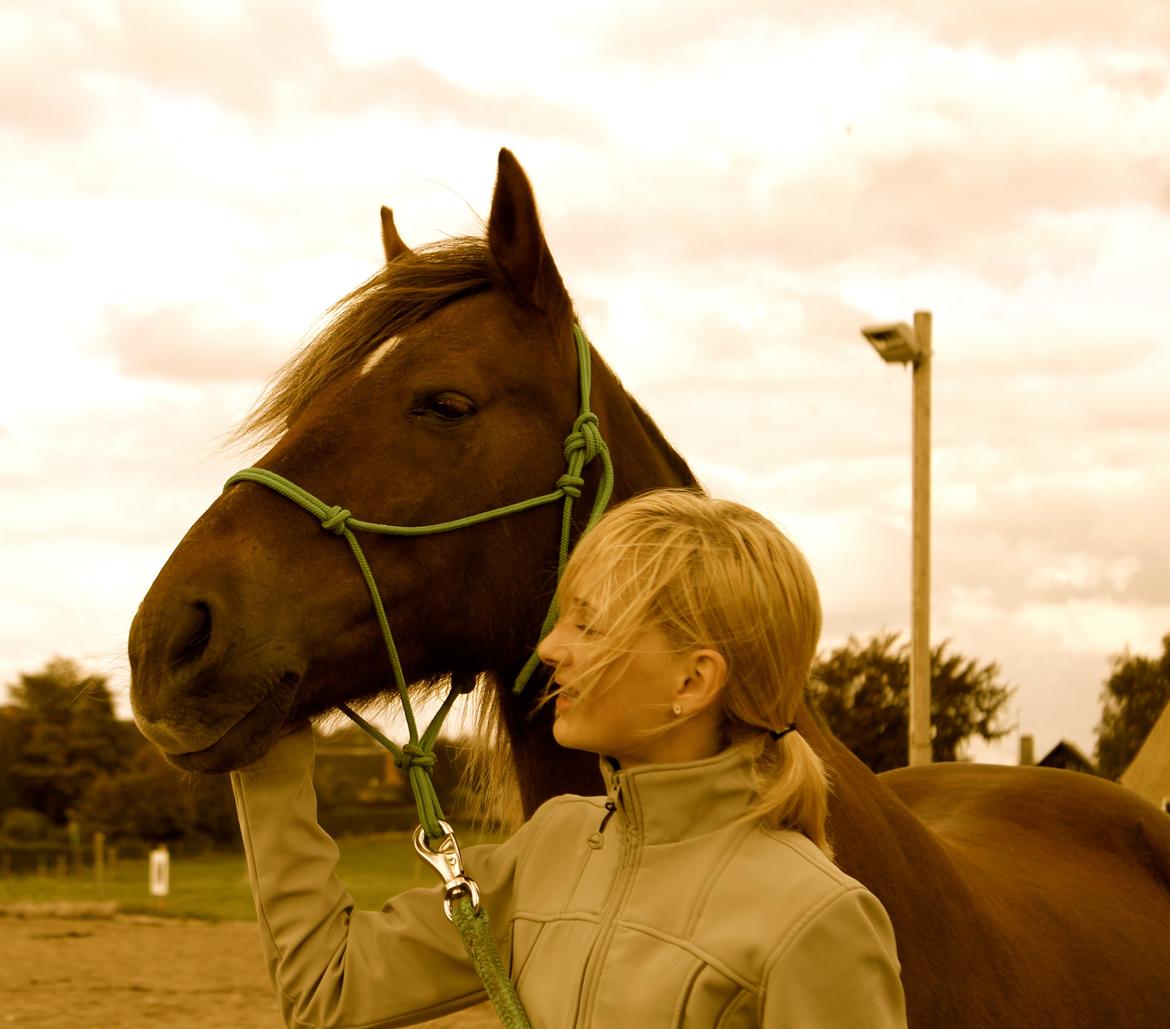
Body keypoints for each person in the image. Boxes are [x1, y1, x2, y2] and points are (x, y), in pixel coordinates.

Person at [231, 489, 908, 1028]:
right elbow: (330, 987)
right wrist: (268, 743)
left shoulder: (817, 917)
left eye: (588, 623)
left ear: (693, 682)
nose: (551, 647)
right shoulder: (554, 845)